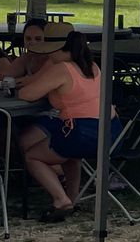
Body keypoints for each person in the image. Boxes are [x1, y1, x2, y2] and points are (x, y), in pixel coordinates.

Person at [16, 23, 122, 222]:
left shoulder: (61, 69)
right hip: (111, 132)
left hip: (80, 131)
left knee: (32, 156)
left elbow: (27, 94)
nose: (47, 56)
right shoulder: (92, 66)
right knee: (72, 156)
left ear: (59, 50)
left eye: (49, 52)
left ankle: (60, 199)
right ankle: (72, 198)